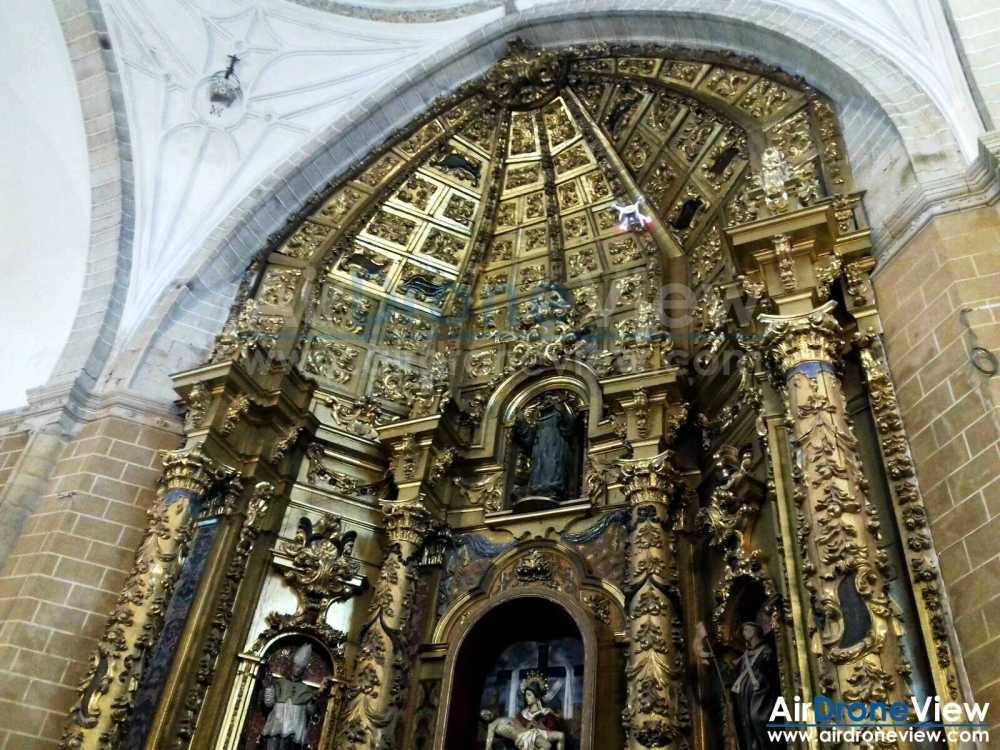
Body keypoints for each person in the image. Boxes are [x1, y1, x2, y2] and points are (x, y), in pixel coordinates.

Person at [260, 643, 329, 750]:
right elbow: (268, 704)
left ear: (303, 671)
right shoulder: (279, 683)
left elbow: (310, 712)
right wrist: (269, 688)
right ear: (292, 666)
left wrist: (314, 699)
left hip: (295, 728)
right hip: (276, 725)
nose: (298, 670)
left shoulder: (306, 690)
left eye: (301, 668)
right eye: (296, 667)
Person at [730, 622, 783, 750]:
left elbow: (771, 670)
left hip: (761, 692)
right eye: (743, 631)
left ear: (755, 631)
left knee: (758, 717)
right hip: (744, 696)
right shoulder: (745, 655)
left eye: (747, 629)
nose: (744, 633)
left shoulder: (765, 650)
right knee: (746, 723)